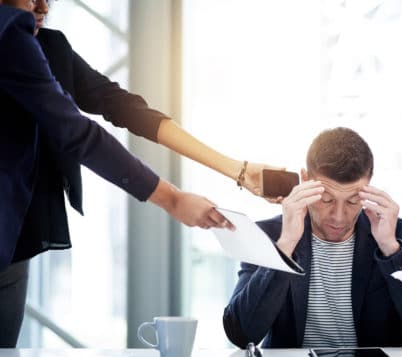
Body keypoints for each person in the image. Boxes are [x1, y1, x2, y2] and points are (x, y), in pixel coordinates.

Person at [0, 2, 270, 347]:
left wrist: (238, 170)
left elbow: (122, 106)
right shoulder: (9, 36)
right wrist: (171, 199)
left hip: (12, 243)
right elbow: (79, 134)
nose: (42, 6)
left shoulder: (48, 47)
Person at [223, 127, 402, 349]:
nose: (338, 217)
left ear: (367, 188)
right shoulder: (270, 235)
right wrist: (285, 246)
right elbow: (241, 334)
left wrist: (389, 248)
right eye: (326, 199)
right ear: (305, 180)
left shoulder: (399, 235)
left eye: (353, 201)